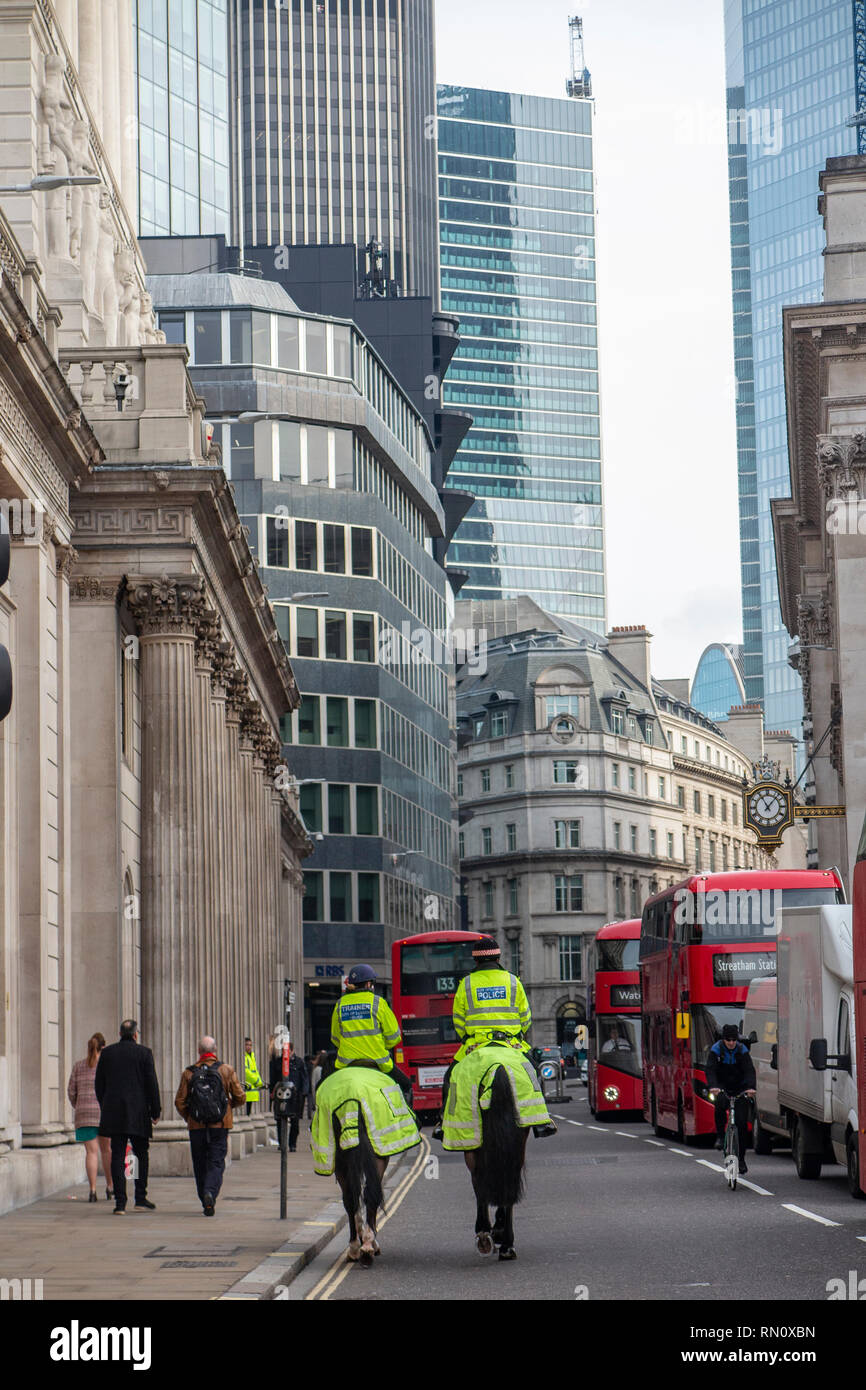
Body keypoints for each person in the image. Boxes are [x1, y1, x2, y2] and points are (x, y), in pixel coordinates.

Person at [433, 936, 555, 1140]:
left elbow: (459, 1022)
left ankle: (443, 1123)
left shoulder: (466, 984)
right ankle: (541, 1122)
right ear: (498, 958)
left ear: (476, 961)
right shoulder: (513, 981)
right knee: (534, 1072)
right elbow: (525, 1019)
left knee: (450, 1078)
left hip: (475, 1045)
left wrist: (469, 1038)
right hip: (511, 1044)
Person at [95, 1019, 161, 1214]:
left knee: (117, 1154)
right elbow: (152, 1084)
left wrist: (105, 1104)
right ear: (135, 1034)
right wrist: (155, 1111)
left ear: (119, 1034)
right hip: (139, 1112)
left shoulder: (107, 1053)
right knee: (140, 1154)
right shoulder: (144, 1053)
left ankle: (120, 1202)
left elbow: (99, 1084)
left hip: (114, 1112)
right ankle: (140, 1197)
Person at [175, 1035, 245, 1216]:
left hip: (196, 1125)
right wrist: (228, 1108)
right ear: (214, 1051)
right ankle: (210, 1193)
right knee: (216, 1161)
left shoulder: (189, 1073)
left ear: (199, 1051)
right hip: (220, 1125)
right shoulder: (226, 1070)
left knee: (199, 1162)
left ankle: (203, 1197)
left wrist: (189, 1117)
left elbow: (180, 1101)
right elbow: (240, 1096)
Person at [330, 965, 414, 1107]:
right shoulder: (378, 1003)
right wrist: (379, 1044)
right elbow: (394, 1037)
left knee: (323, 1089)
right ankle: (409, 1122)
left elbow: (335, 1038)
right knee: (406, 1085)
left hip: (346, 1064)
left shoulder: (339, 1005)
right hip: (378, 1064)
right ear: (369, 984)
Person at [67, 1033, 113, 1202]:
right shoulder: (107, 1066)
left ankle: (92, 1191)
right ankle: (110, 1187)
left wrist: (78, 1104)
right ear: (104, 1047)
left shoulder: (78, 1066)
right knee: (107, 1151)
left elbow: (71, 1090)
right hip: (104, 1112)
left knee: (91, 1153)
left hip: (84, 1113)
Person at [706, 1023, 756, 1173]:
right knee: (720, 1105)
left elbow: (749, 1070)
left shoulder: (742, 1050)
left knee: (741, 1124)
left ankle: (741, 1160)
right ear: (723, 1040)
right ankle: (721, 1137)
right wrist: (713, 1087)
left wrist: (751, 1088)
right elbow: (711, 1070)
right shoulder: (716, 1050)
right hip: (722, 1087)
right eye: (728, 1040)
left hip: (740, 1088)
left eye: (734, 1040)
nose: (731, 1043)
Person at [268, 1040, 309, 1151]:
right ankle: (282, 1143)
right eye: (283, 1051)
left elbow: (304, 1078)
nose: (284, 1053)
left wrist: (304, 1093)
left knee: (295, 1122)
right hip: (281, 1095)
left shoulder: (299, 1062)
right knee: (280, 1120)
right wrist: (272, 1092)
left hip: (295, 1097)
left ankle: (292, 1144)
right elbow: (273, 1079)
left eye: (286, 1051)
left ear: (292, 1050)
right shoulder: (277, 1062)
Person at [244, 1037, 264, 1117]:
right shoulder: (245, 1056)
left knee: (248, 1113)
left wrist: (259, 1081)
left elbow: (255, 1070)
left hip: (251, 1089)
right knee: (246, 1113)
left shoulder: (251, 1056)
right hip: (247, 1088)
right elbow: (246, 1072)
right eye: (246, 1045)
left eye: (250, 1045)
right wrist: (257, 1081)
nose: (248, 1047)